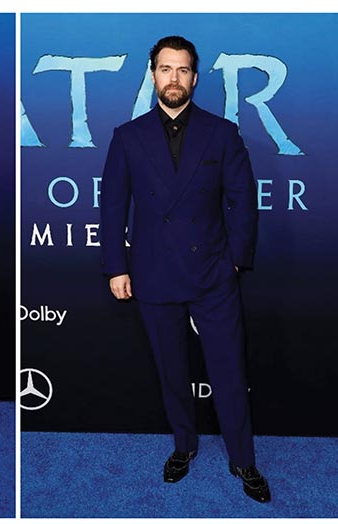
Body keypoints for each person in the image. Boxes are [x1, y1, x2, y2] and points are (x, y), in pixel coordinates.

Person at [99, 35, 270, 503]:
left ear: (195, 78)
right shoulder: (127, 137)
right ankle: (183, 445)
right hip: (153, 272)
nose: (174, 78)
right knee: (171, 368)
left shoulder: (222, 133)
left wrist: (236, 257)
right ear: (153, 74)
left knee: (229, 369)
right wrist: (117, 264)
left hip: (213, 271)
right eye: (165, 69)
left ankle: (243, 459)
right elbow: (112, 208)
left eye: (183, 70)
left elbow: (243, 200)